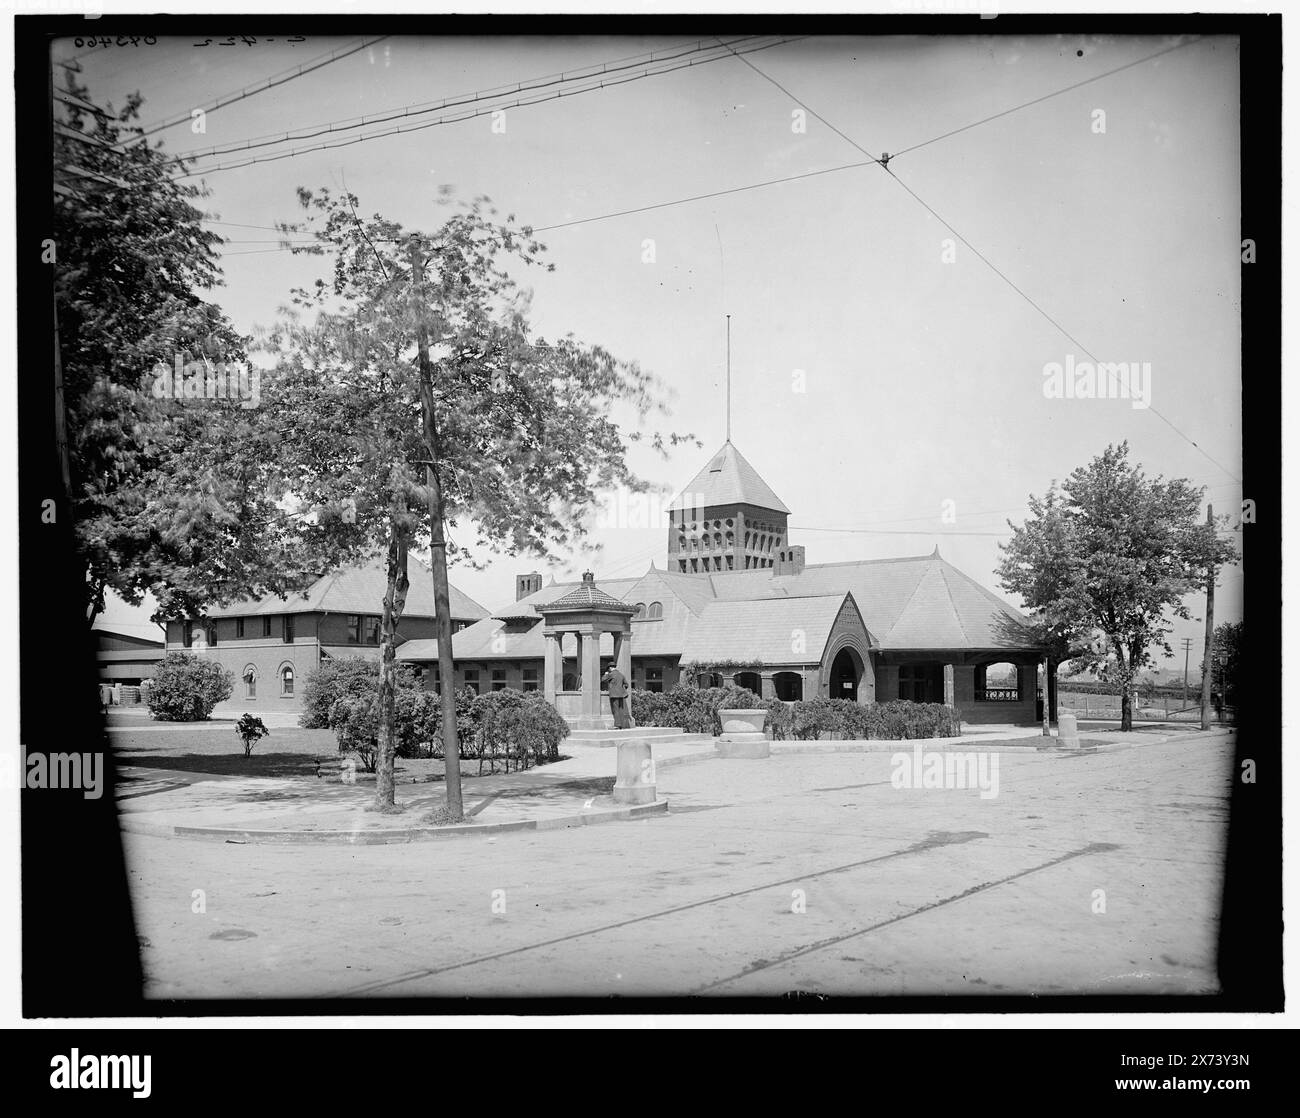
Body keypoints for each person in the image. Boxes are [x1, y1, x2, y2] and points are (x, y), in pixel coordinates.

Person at [601, 665, 633, 729]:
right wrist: (621, 689)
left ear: (610, 668)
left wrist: (605, 674)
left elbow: (603, 680)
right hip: (621, 695)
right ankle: (623, 724)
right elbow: (626, 684)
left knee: (616, 710)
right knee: (621, 709)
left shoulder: (611, 674)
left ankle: (617, 725)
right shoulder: (621, 674)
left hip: (614, 695)